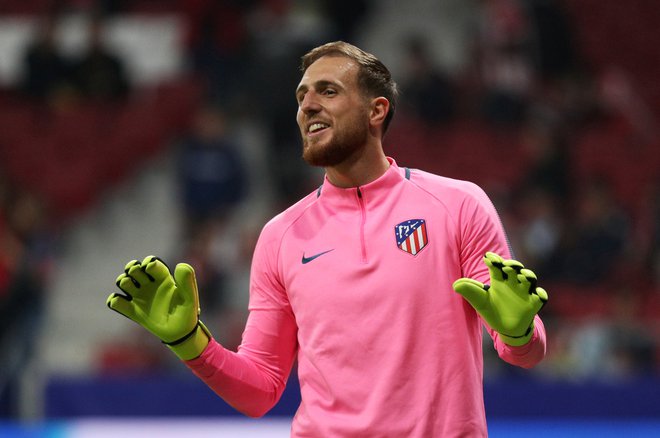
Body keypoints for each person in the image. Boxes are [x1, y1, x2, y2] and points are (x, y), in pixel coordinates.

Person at [107, 41, 548, 437]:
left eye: (328, 91)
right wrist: (190, 343)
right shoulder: (280, 236)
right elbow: (261, 389)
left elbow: (522, 354)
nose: (308, 106)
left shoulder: (459, 206)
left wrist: (519, 330)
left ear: (377, 110)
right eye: (302, 97)